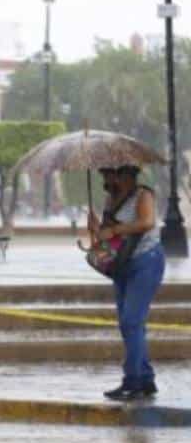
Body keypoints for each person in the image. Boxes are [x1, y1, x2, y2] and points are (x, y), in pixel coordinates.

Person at [88, 165, 165, 401]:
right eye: (103, 175)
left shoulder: (143, 195)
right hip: (122, 264)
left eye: (110, 175)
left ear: (126, 176)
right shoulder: (110, 200)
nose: (106, 179)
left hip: (145, 261)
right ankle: (145, 378)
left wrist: (114, 230)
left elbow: (147, 222)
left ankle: (133, 382)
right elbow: (107, 236)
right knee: (129, 324)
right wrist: (96, 229)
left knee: (131, 322)